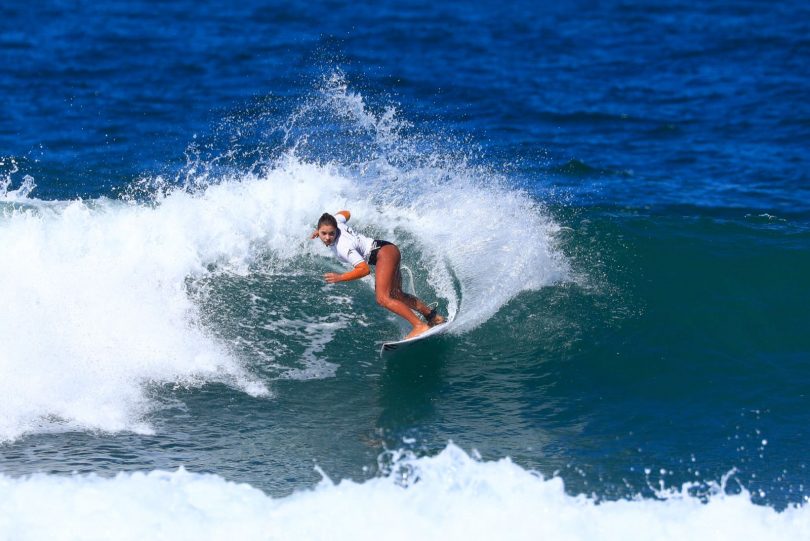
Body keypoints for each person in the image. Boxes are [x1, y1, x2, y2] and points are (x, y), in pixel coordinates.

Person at [311, 210, 445, 339]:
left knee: (382, 298)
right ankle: (433, 317)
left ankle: (419, 326)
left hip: (383, 254)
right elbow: (346, 213)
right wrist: (325, 227)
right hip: (389, 249)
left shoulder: (343, 247)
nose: (327, 238)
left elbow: (364, 269)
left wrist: (340, 277)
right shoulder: (338, 222)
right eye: (323, 233)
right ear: (319, 230)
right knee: (396, 294)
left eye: (331, 233)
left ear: (335, 230)